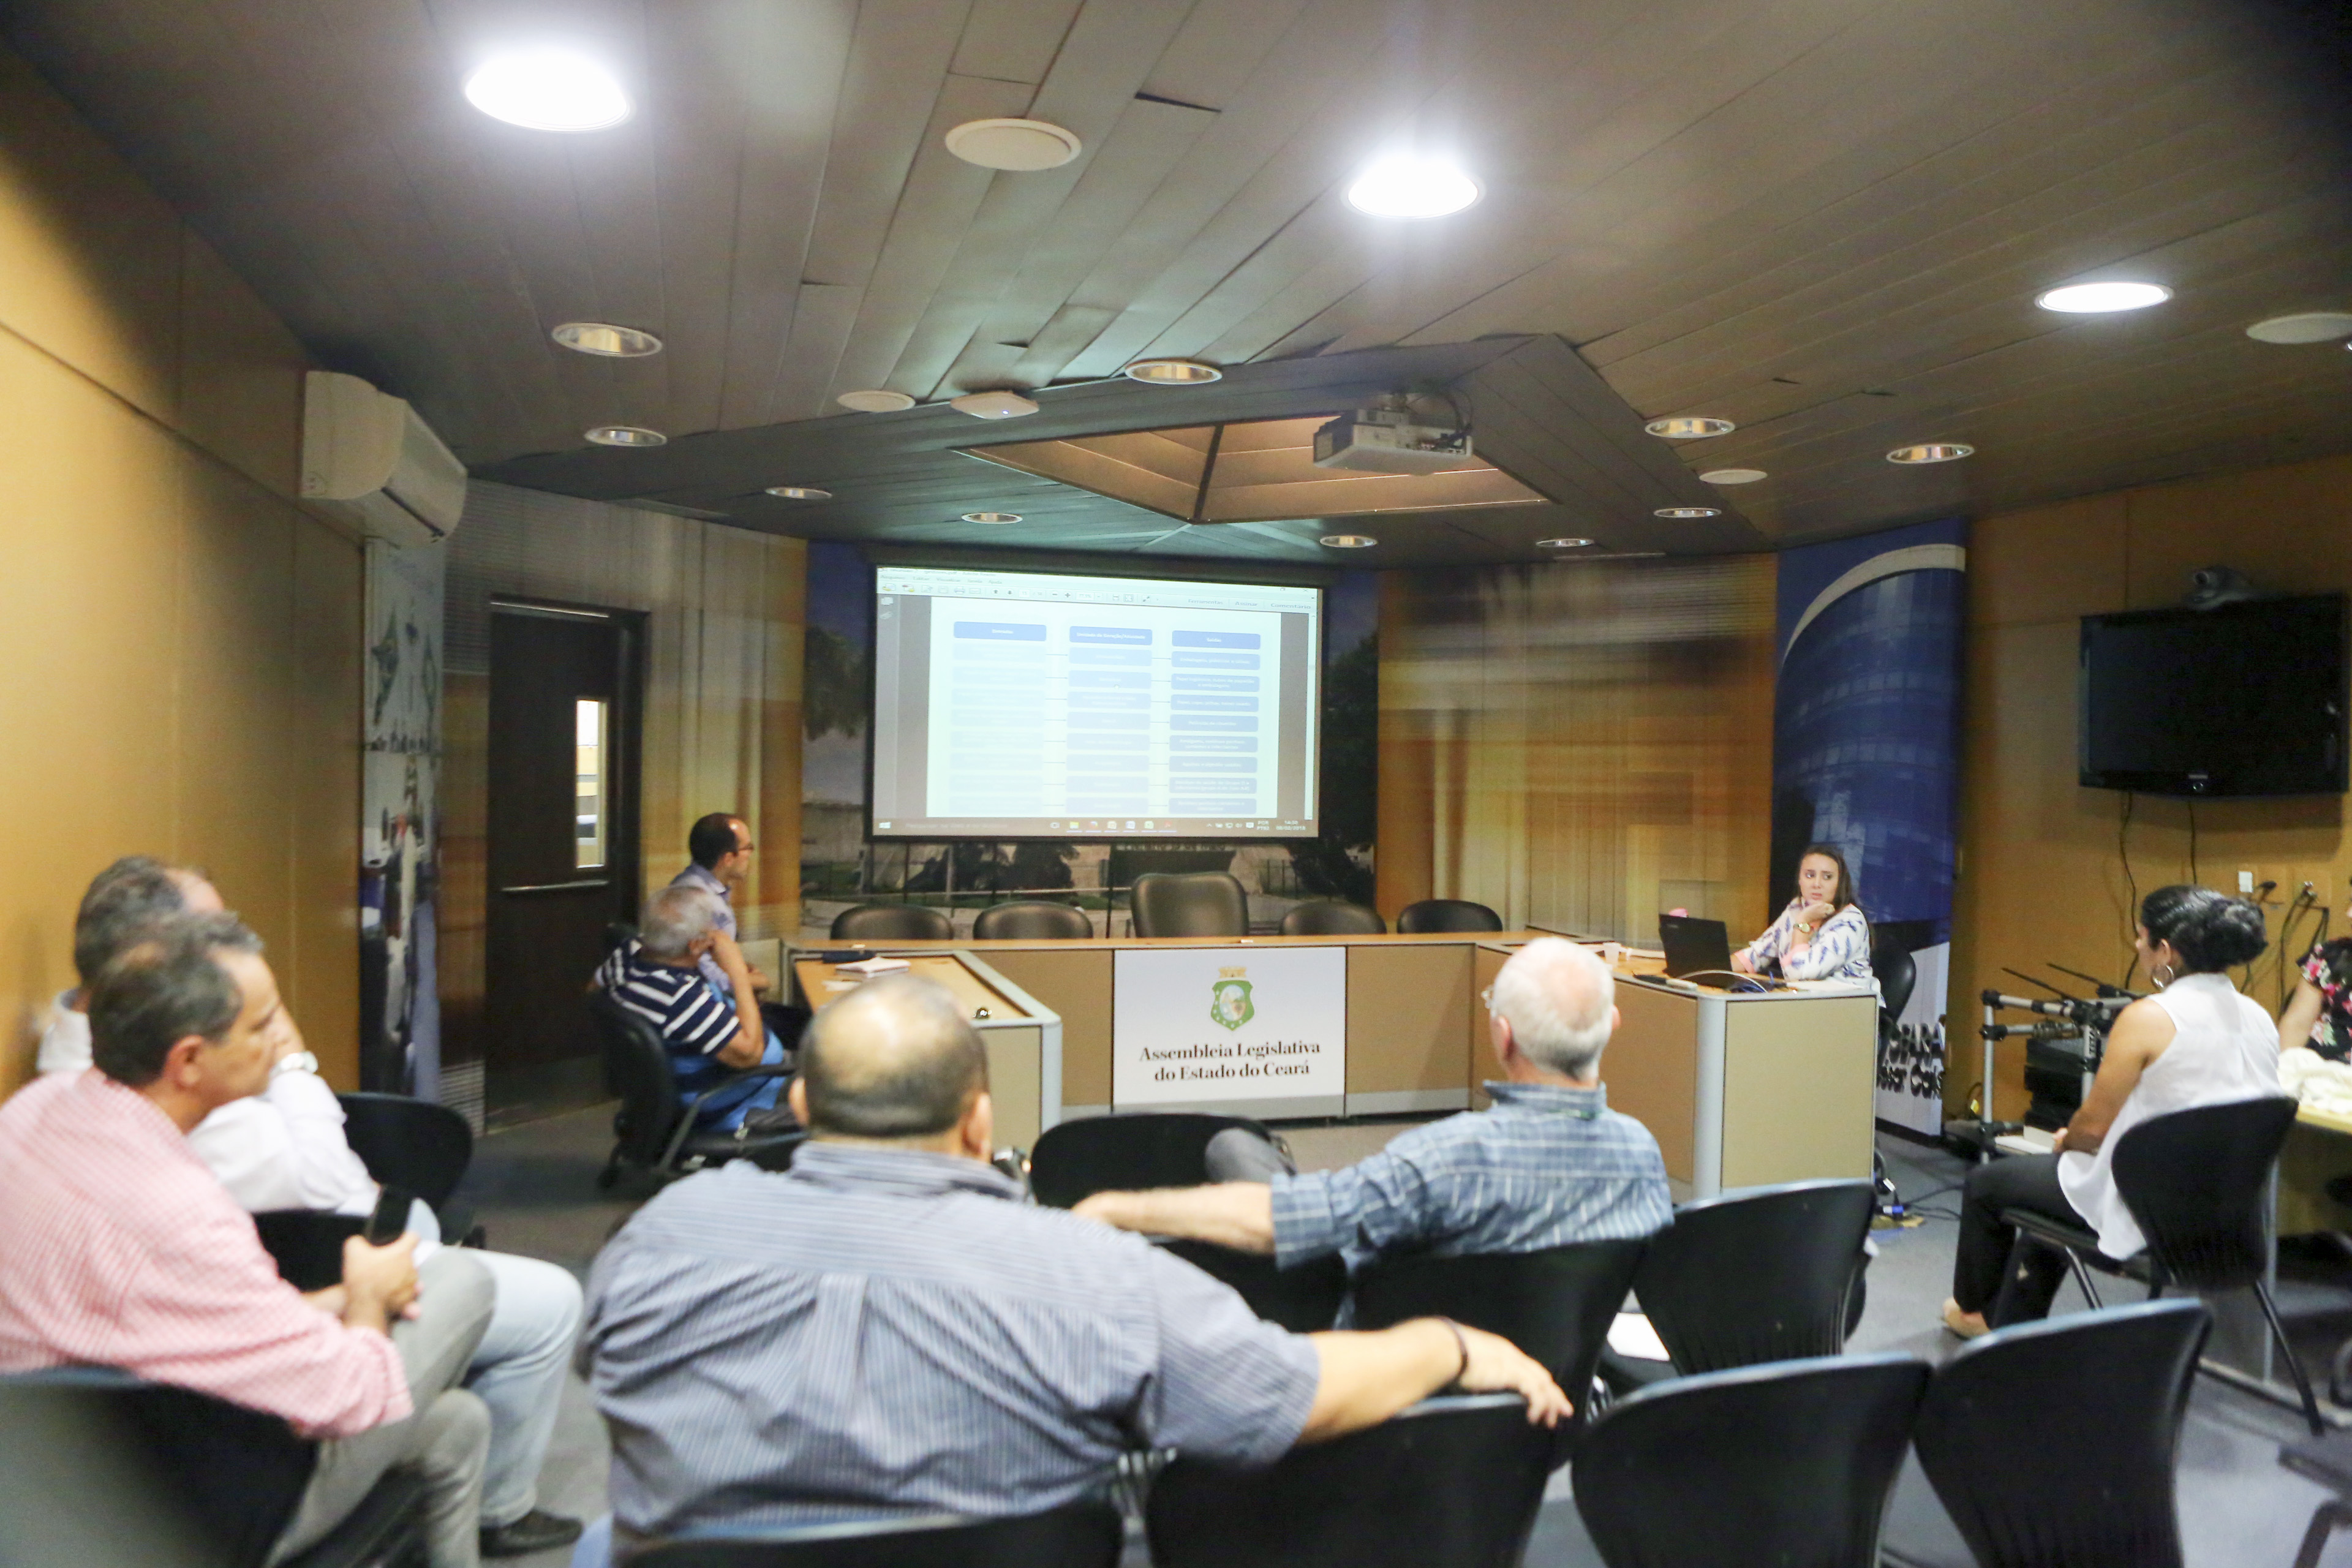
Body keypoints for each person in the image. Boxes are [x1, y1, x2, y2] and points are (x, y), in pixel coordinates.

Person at [579, 974, 1567, 1552]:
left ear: (801, 1108)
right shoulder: (1093, 1275)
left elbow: (604, 1372)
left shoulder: (659, 1240)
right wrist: (1447, 1344)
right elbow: (1287, 1396)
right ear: (980, 1123)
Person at [41, 859, 586, 1558]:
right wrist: (366, 1298)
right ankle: (491, 1506)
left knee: (459, 1422)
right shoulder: (165, 1164)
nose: (234, 952)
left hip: (166, 1423)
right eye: (217, 938)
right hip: (233, 1492)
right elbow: (328, 1209)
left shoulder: (58, 1104)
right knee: (493, 1289)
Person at [1071, 938, 1673, 1274]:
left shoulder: (1449, 1155)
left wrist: (1114, 1206)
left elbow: (1284, 1225)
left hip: (1410, 1392)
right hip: (1561, 1396)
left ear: (1502, 1035)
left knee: (1235, 1147)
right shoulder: (1641, 1153)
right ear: (1613, 1026)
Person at [1942, 885, 2281, 1336]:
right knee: (2046, 1211)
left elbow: (2093, 1130)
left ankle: (1974, 1315)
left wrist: (2068, 1140)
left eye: (2141, 937)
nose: (2137, 946)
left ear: (2165, 951)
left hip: (2147, 1212)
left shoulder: (2148, 1017)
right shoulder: (2259, 1017)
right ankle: (2011, 1321)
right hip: (2228, 1220)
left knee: (1987, 1184)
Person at [599, 884, 791, 1131]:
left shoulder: (626, 955)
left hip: (675, 1087)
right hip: (726, 1102)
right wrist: (737, 973)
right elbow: (750, 1056)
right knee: (824, 1080)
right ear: (696, 944)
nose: (717, 933)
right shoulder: (680, 997)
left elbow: (594, 992)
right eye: (712, 927)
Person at [1732, 843, 1873, 982]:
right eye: (1810, 875)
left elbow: (1800, 973)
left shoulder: (1850, 921)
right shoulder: (1796, 908)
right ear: (1800, 880)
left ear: (1840, 883)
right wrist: (1719, 969)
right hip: (1802, 995)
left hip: (1849, 996)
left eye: (1827, 877)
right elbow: (1758, 953)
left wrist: (1802, 922)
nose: (1817, 884)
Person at [671, 813, 768, 994]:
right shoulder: (699, 900)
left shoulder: (691, 883)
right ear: (728, 859)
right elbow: (707, 977)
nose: (751, 854)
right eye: (748, 847)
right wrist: (758, 981)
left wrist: (739, 967)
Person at [2278, 892, 2352, 1060]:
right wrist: (2282, 1070)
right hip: (2320, 1070)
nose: (2349, 913)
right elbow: (2297, 1024)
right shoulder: (2329, 956)